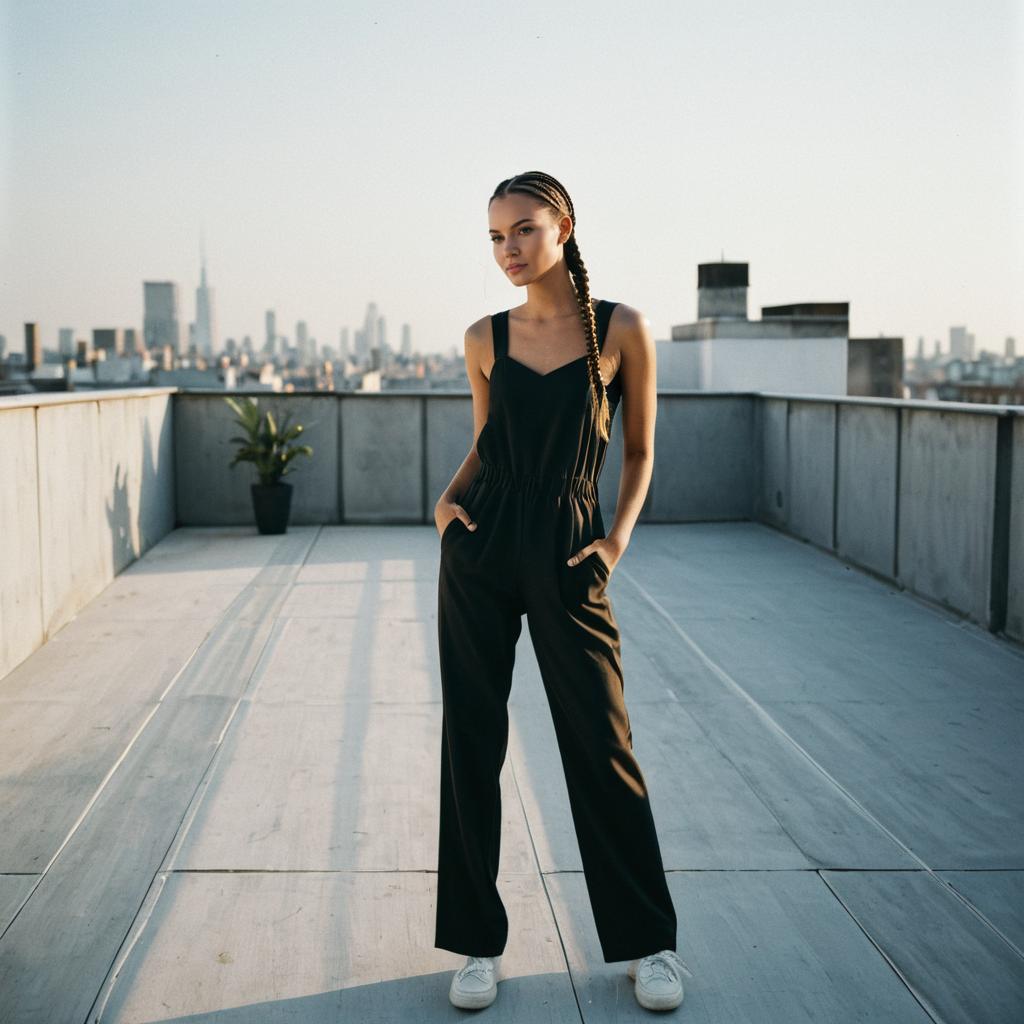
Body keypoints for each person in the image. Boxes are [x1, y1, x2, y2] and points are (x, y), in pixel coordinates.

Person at [434, 171, 692, 1013]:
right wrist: (446, 503)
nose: (508, 249)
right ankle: (476, 944)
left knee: (601, 738)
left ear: (564, 228)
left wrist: (613, 542)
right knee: (471, 740)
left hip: (571, 547)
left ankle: (648, 944)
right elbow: (487, 444)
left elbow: (642, 451)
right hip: (483, 542)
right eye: (496, 237)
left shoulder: (620, 327)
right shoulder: (482, 336)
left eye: (523, 230)